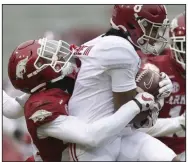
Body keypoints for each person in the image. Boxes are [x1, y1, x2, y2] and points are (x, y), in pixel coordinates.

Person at [7, 38, 156, 162]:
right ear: (37, 74)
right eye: (48, 58)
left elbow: (11, 109)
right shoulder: (41, 106)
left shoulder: (59, 83)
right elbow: (91, 136)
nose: (59, 55)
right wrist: (135, 104)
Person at [66, 5, 179, 161]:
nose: (155, 35)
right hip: (92, 143)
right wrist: (157, 94)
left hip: (116, 132)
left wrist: (153, 80)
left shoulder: (106, 42)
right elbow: (130, 115)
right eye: (151, 28)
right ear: (131, 24)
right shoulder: (120, 49)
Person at [139, 12, 186, 161]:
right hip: (152, 150)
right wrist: (180, 123)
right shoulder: (153, 71)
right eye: (185, 45)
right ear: (174, 43)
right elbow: (134, 126)